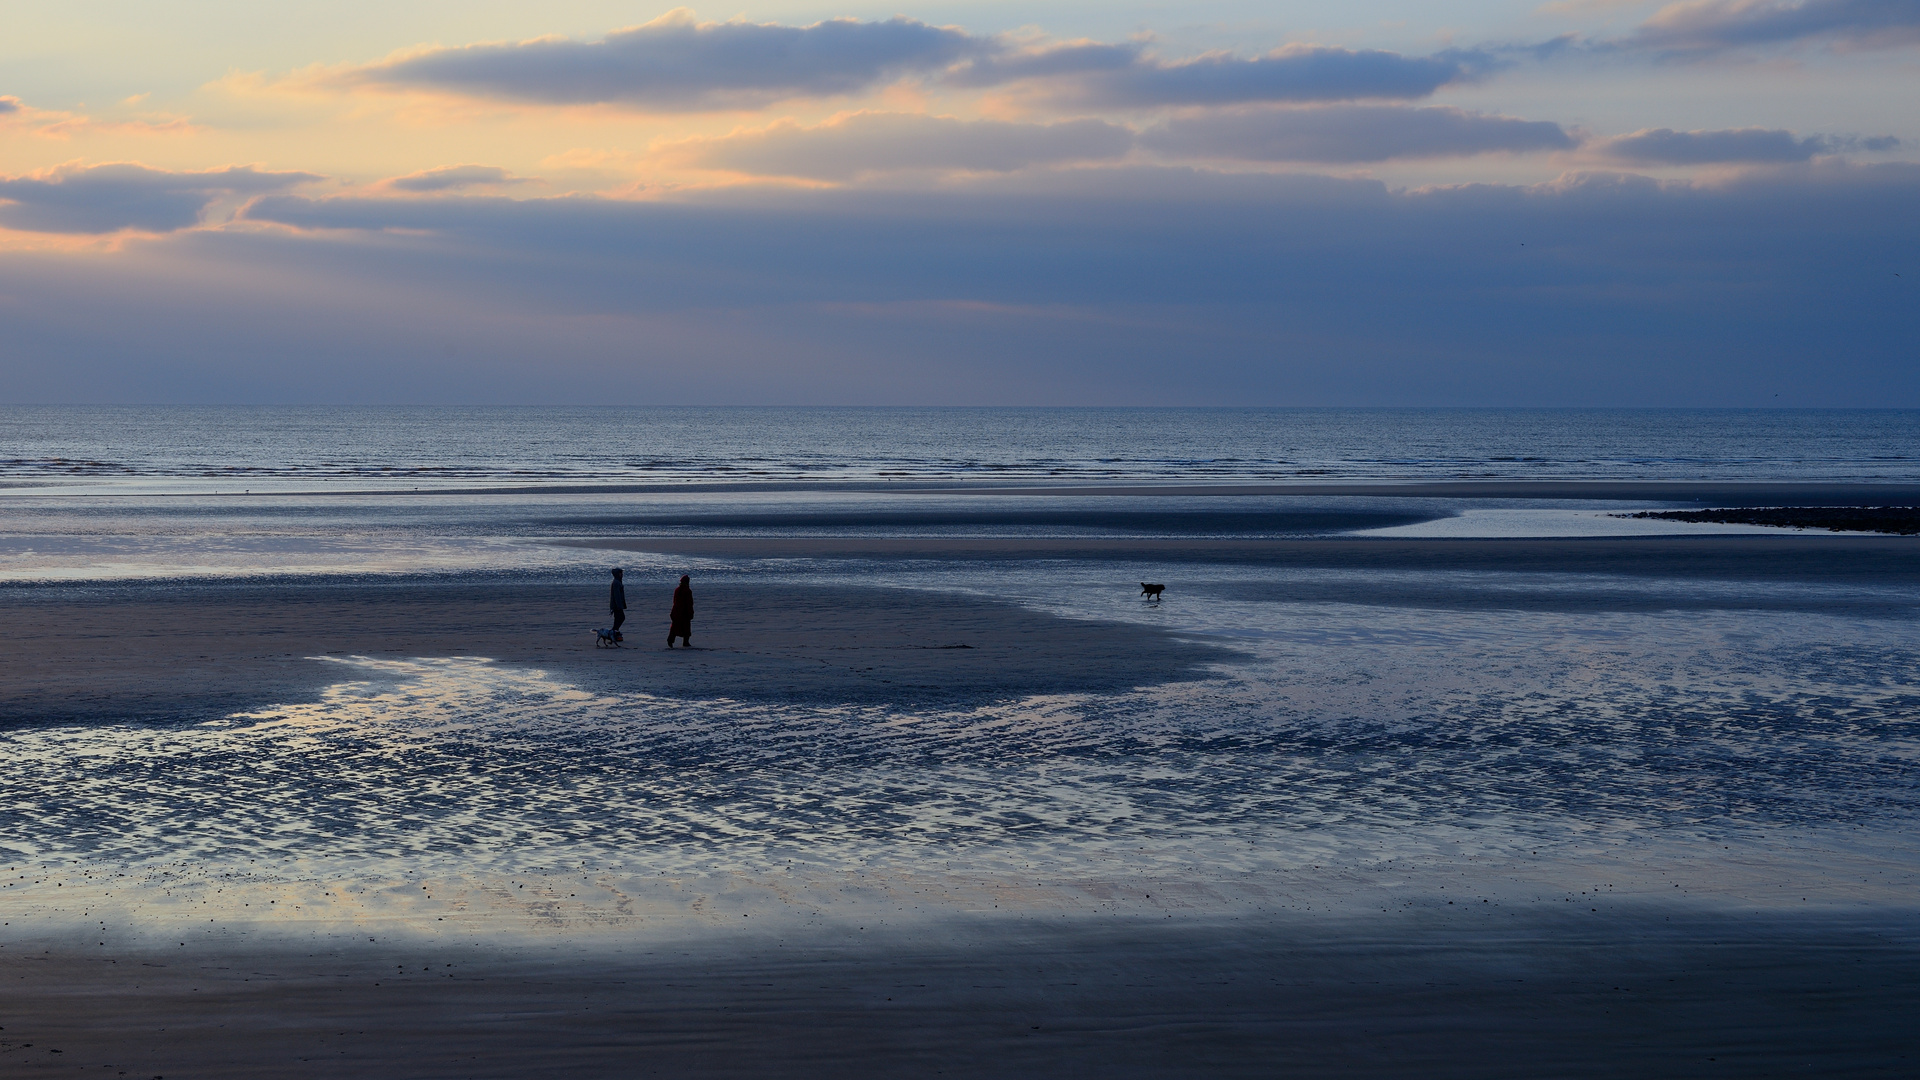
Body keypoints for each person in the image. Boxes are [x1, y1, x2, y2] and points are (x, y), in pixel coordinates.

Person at [667, 574, 693, 648]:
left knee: (675, 627)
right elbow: (689, 603)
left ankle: (671, 640)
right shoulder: (687, 591)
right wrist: (690, 612)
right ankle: (685, 642)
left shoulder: (677, 590)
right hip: (684, 612)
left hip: (677, 611)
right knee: (686, 627)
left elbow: (675, 602)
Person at [608, 568, 626, 642]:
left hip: (617, 605)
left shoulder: (618, 582)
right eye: (620, 573)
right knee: (620, 618)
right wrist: (619, 606)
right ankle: (613, 633)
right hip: (617, 606)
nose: (622, 574)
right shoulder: (616, 582)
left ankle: (614, 633)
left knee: (619, 619)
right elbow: (617, 596)